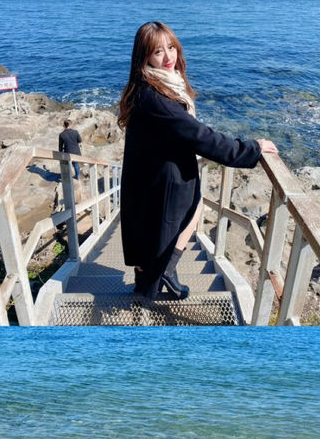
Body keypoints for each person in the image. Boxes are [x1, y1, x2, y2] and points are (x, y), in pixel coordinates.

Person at [118, 21, 277, 300]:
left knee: (153, 230)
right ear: (144, 57)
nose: (168, 58)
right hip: (164, 176)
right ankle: (163, 273)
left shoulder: (148, 87)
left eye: (171, 48)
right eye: (158, 52)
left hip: (149, 172)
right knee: (184, 216)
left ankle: (149, 282)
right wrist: (252, 148)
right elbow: (201, 136)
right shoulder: (155, 98)